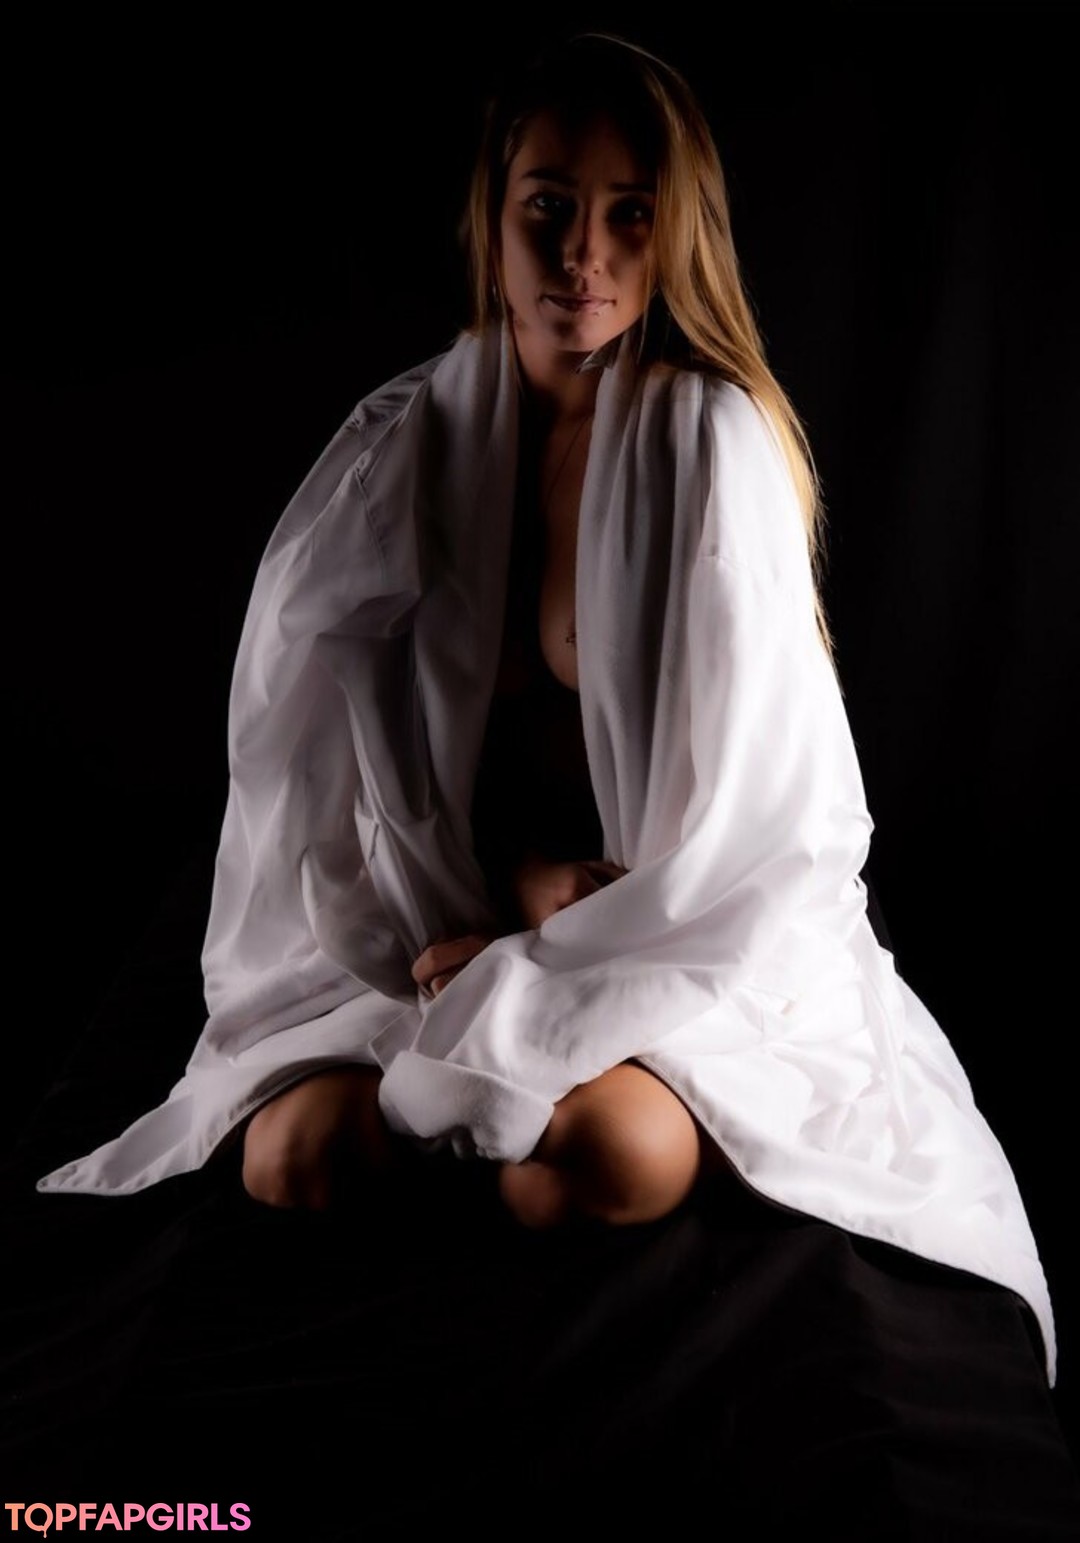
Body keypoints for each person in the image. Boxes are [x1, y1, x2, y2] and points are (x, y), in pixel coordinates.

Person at [37, 30, 1057, 1390]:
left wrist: (546, 937)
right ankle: (450, 1115)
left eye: (631, 214)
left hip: (658, 945)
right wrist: (470, 914)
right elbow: (311, 767)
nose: (584, 253)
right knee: (295, 1162)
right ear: (494, 214)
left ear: (675, 233)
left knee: (595, 1161)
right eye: (550, 207)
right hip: (435, 928)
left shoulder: (708, 447)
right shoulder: (406, 440)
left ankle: (502, 1106)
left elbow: (759, 841)